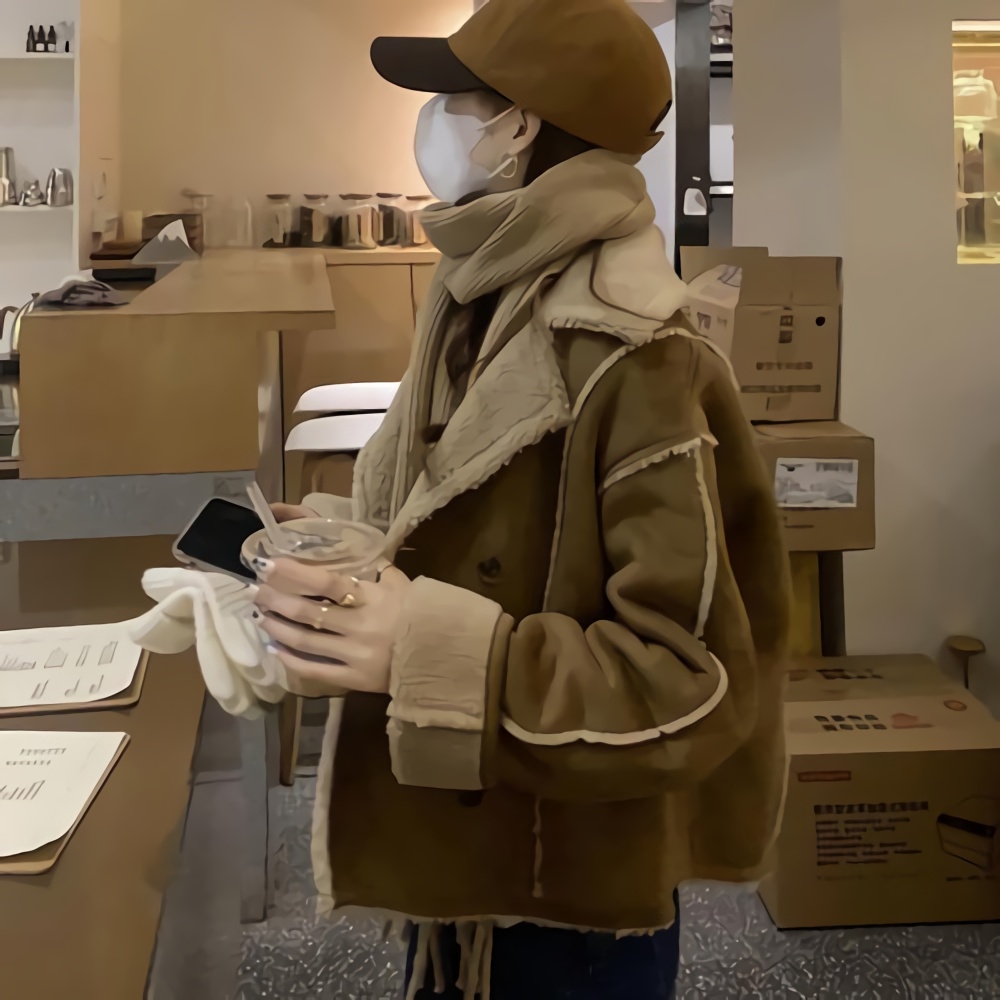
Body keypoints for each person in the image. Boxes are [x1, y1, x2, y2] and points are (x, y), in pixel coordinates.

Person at [254, 0, 792, 996]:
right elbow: (455, 518)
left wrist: (422, 647)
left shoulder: (638, 353)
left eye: (455, 98)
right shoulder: (481, 283)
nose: (432, 122)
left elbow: (690, 681)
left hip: (566, 900)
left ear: (518, 127)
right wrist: (328, 554)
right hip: (458, 867)